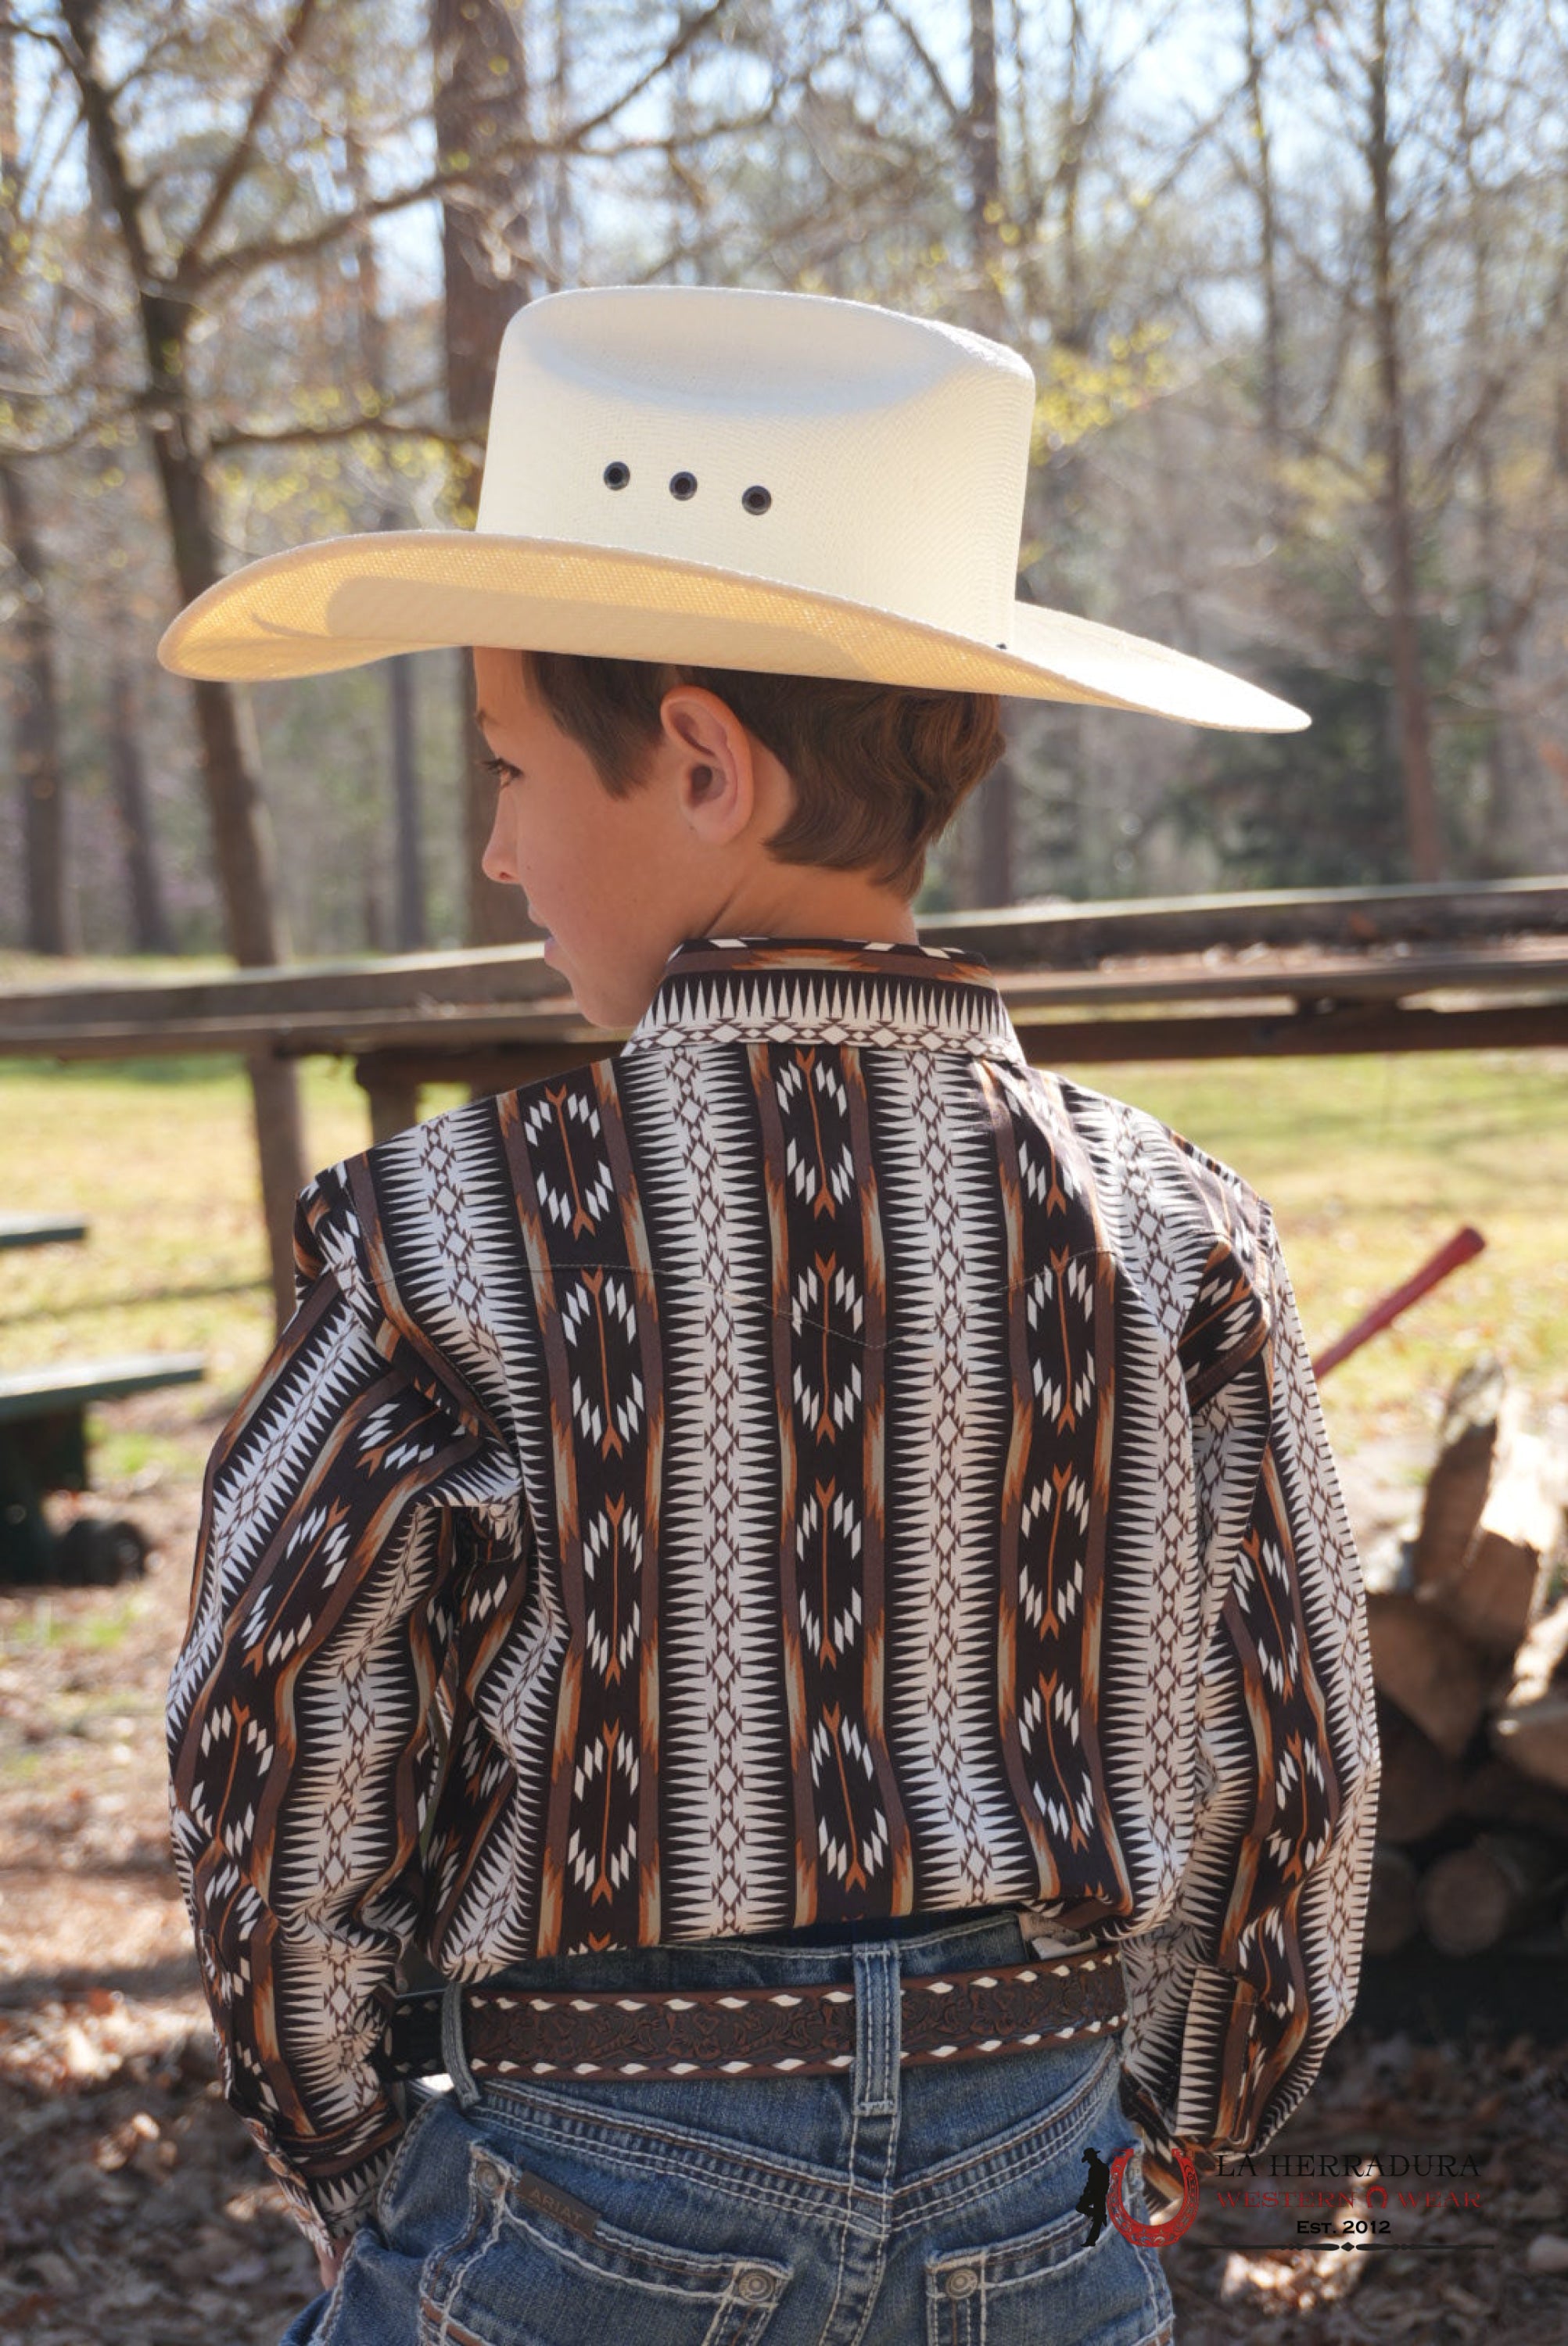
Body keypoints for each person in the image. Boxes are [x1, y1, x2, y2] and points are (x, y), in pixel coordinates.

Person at [159, 285, 1379, 2346]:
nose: (497, 843)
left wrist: (354, 2139)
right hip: (1043, 2169)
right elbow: (1294, 1758)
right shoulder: (1175, 1238)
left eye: (515, 765)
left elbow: (278, 1722)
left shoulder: (447, 1231)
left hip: (579, 2165)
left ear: (705, 765)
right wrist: (1148, 2128)